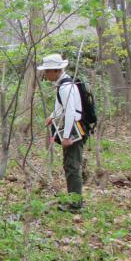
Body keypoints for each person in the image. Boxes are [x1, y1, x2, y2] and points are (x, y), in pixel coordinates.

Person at [38, 54, 85, 211]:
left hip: (75, 129)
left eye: (47, 71)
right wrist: (52, 117)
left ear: (56, 70)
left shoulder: (65, 87)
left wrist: (66, 137)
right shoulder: (63, 84)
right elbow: (61, 108)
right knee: (69, 164)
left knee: (72, 166)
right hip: (73, 127)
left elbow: (71, 111)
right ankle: (73, 199)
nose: (45, 74)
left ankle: (76, 204)